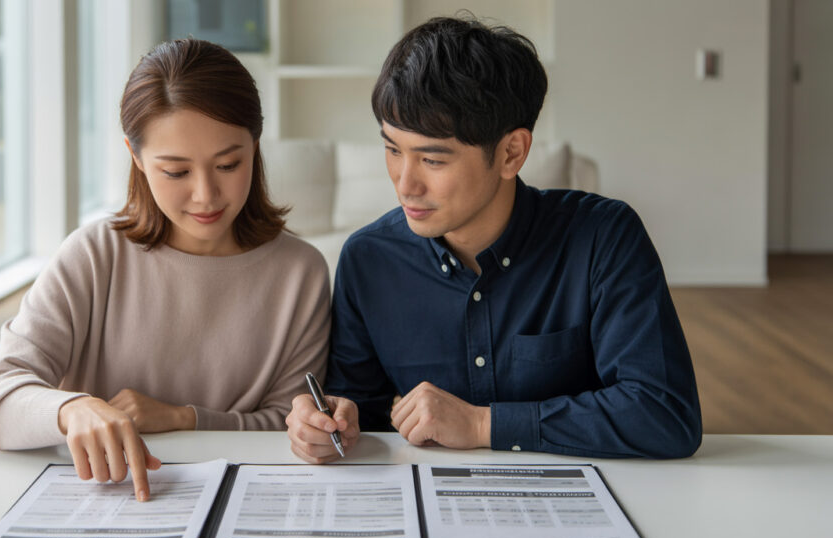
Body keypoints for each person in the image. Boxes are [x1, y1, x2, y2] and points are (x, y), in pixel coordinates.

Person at [286, 17, 702, 462]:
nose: (405, 184)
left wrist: (484, 424)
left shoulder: (603, 237)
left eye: (431, 159)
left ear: (511, 153)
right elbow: (359, 410)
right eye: (392, 149)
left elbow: (665, 414)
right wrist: (331, 422)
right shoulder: (368, 259)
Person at [0, 39, 330, 500]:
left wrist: (183, 417)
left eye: (228, 163)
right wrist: (73, 409)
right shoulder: (93, 256)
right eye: (176, 171)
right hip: (103, 501)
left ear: (255, 147)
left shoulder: (301, 272)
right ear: (135, 157)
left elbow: (288, 422)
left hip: (246, 501)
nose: (206, 195)